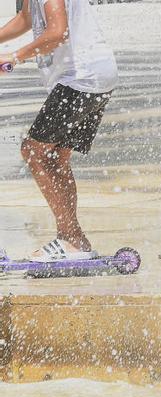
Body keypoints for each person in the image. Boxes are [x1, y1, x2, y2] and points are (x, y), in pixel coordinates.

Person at [0, 0, 117, 261]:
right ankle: (75, 242)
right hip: (96, 76)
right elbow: (26, 18)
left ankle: (71, 238)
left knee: (33, 151)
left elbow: (57, 32)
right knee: (55, 159)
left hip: (81, 78)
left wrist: (15, 57)